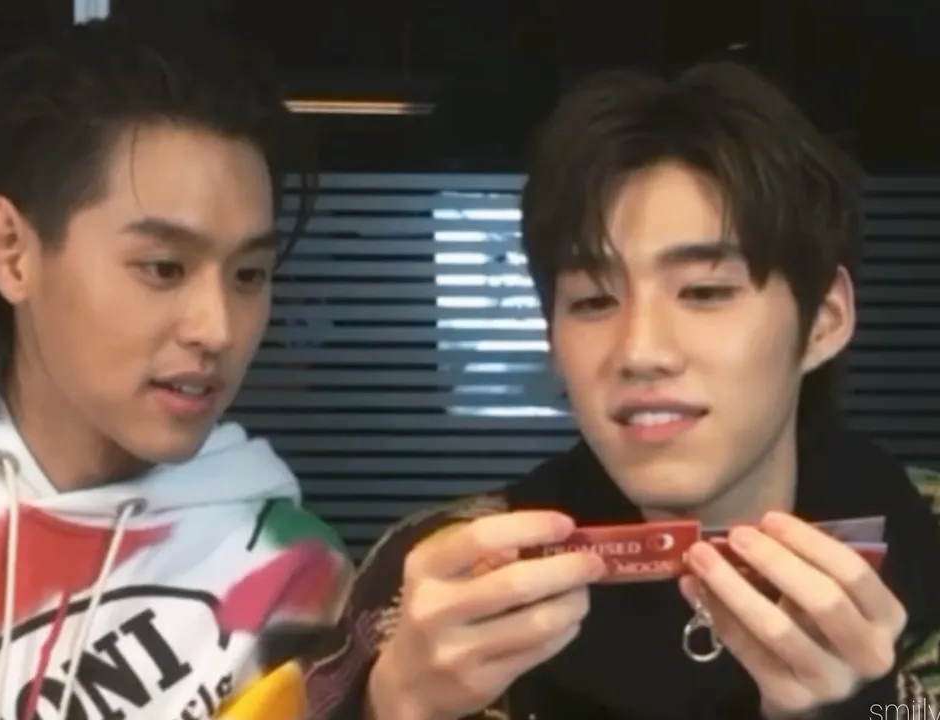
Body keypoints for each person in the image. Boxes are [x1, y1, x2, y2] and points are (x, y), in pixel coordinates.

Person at [301, 62, 940, 719]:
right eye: (592, 300)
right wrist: (391, 704)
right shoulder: (449, 571)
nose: (640, 352)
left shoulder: (926, 534)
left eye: (705, 292)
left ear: (824, 320)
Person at [0, 16, 351, 720]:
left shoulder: (284, 573)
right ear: (11, 252)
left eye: (249, 275)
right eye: (163, 268)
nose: (217, 329)